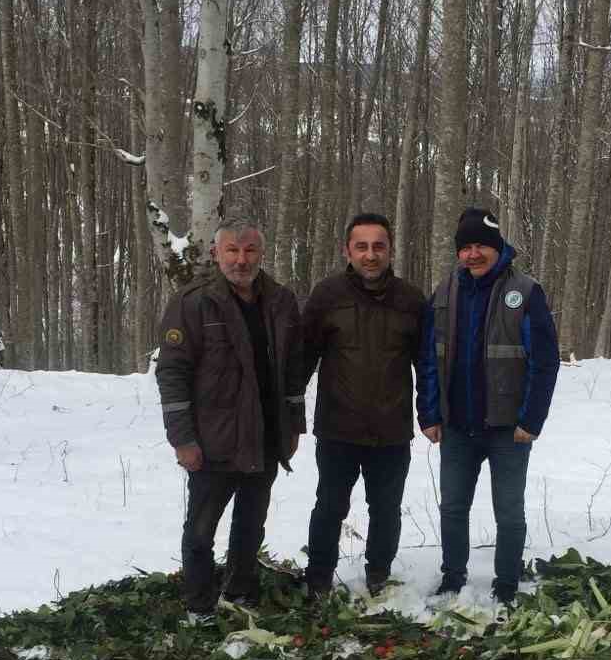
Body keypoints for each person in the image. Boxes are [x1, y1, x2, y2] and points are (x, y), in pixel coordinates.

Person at [154, 219, 304, 615]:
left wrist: (294, 424)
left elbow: (293, 370)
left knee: (250, 527)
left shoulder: (280, 301)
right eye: (233, 251)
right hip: (212, 442)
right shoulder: (193, 303)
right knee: (201, 531)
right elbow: (172, 373)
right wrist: (182, 439)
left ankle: (239, 594)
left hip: (265, 438)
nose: (242, 260)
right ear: (216, 254)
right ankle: (199, 607)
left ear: (262, 253)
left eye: (250, 250)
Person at [419, 207, 558, 606]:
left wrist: (531, 420)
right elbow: (429, 356)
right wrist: (429, 413)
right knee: (453, 508)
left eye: (481, 246)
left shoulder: (526, 292)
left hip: (507, 429)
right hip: (458, 427)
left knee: (509, 512)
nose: (473, 255)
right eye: (466, 247)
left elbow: (545, 362)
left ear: (498, 248)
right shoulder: (445, 291)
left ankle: (507, 582)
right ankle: (452, 576)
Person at [300, 212, 435, 597]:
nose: (370, 255)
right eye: (362, 246)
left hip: (391, 430)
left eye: (379, 246)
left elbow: (426, 365)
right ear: (348, 250)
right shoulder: (327, 296)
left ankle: (378, 574)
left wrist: (430, 414)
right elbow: (303, 360)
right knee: (329, 507)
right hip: (338, 428)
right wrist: (287, 413)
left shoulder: (410, 300)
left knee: (387, 510)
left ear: (390, 250)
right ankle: (319, 578)